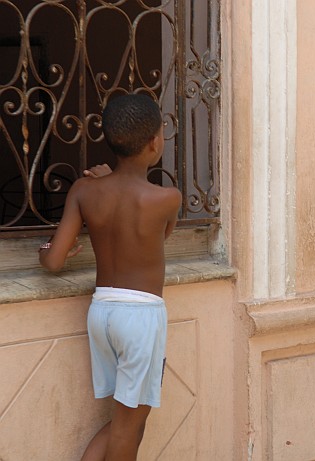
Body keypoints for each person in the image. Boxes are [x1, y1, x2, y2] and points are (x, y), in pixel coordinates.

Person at [39, 94, 182, 461]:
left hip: (102, 313)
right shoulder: (168, 198)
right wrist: (117, 181)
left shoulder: (85, 190)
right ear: (155, 142)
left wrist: (45, 249)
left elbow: (54, 261)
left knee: (129, 423)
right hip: (141, 317)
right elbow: (158, 238)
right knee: (127, 427)